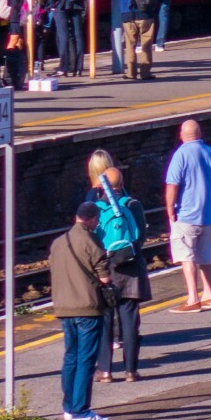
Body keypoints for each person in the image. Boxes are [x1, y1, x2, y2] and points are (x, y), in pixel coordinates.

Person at [85, 152, 149, 382]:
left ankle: (105, 371)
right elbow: (140, 236)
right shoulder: (133, 204)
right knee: (130, 321)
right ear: (122, 184)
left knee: (104, 320)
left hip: (105, 271)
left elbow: (89, 241)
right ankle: (131, 371)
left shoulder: (94, 207)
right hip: (131, 270)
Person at [49, 202, 112, 420]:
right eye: (97, 220)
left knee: (71, 357)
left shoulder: (58, 243)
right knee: (86, 359)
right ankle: (81, 412)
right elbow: (105, 278)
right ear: (92, 218)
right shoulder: (91, 240)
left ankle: (68, 408)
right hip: (87, 307)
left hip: (64, 308)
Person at [164, 119, 211, 312]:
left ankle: (193, 299)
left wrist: (170, 208)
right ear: (200, 134)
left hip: (186, 215)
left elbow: (172, 185)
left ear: (181, 135)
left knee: (187, 255)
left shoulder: (180, 155)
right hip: (207, 215)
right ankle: (208, 295)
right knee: (206, 256)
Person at [111, 0, 158, 82]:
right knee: (146, 44)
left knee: (130, 44)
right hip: (145, 13)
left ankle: (131, 73)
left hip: (127, 13)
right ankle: (145, 73)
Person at [0, 0, 28, 91]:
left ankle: (17, 73)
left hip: (19, 18)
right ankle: (8, 74)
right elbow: (13, 2)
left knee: (19, 43)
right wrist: (25, 1)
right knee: (12, 42)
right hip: (15, 18)